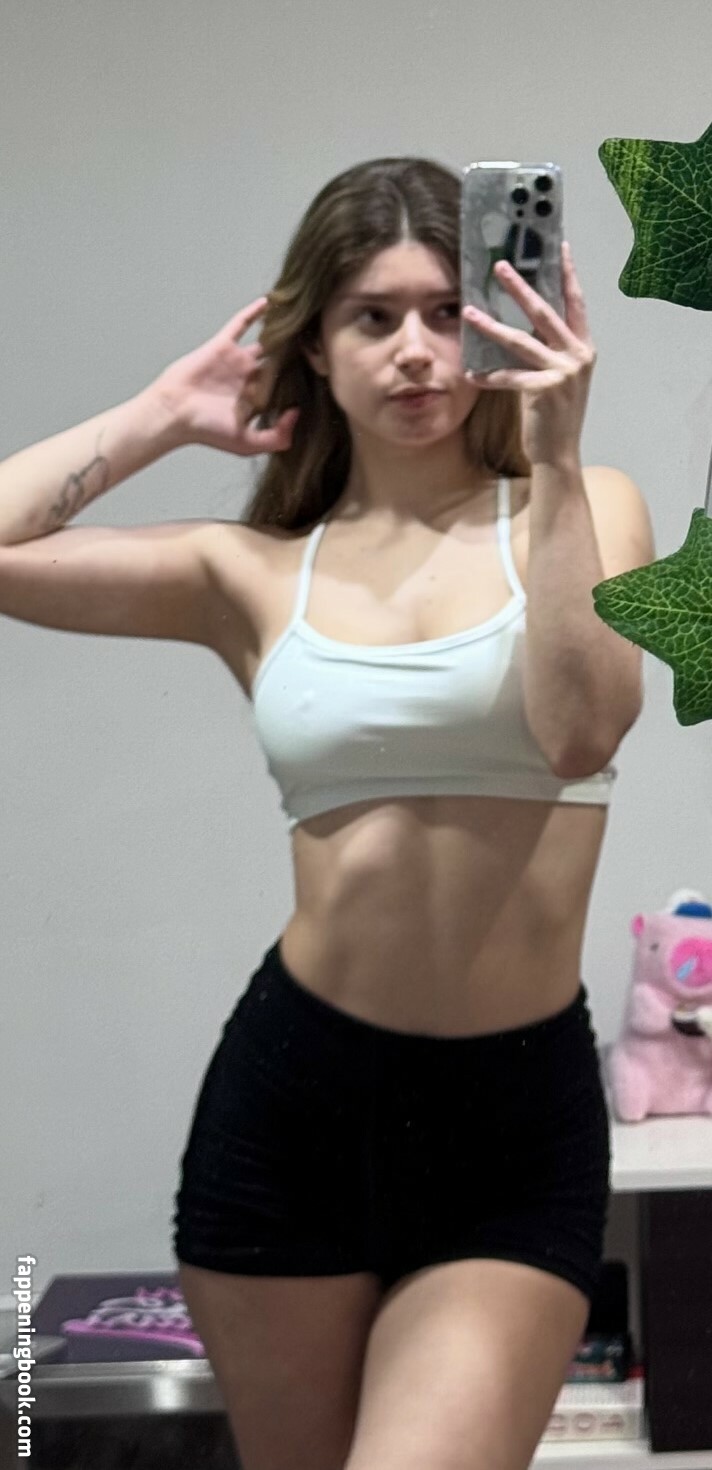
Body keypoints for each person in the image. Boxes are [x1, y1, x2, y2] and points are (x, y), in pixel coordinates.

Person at [1, 155, 655, 1470]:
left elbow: (583, 729)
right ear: (316, 346)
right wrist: (162, 415)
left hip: (510, 1125)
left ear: (497, 319)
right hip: (292, 1105)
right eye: (372, 317)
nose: (415, 350)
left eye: (446, 312)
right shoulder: (250, 572)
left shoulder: (587, 508)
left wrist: (555, 450)